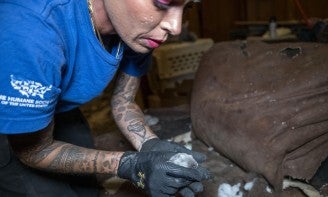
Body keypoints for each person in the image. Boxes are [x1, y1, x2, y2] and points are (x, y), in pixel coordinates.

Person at [0, 0, 210, 196]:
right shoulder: (31, 30)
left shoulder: (135, 28)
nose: (176, 27)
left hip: (62, 110)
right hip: (10, 126)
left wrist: (150, 145)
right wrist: (129, 164)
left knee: (88, 188)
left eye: (187, 5)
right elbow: (33, 149)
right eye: (162, 2)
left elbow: (123, 101)